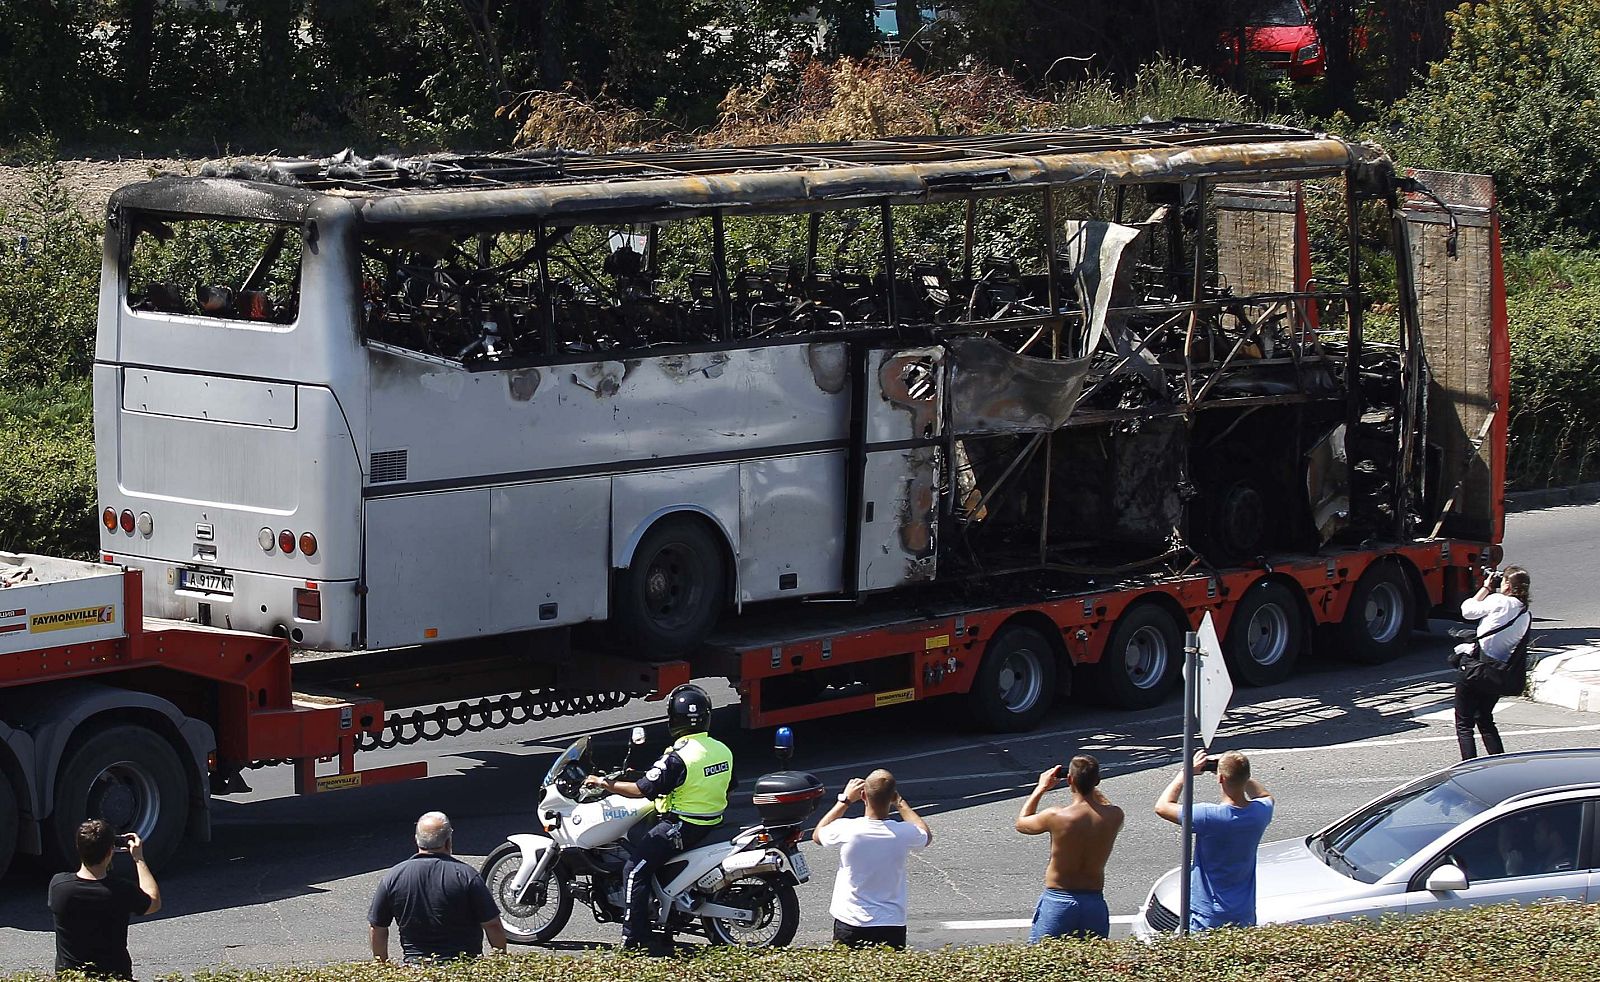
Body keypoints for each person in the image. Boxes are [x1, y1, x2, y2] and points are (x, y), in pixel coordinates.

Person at [584, 682, 733, 953]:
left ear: (674, 720)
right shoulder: (722, 750)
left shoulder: (678, 756)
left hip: (681, 825)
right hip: (710, 822)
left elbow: (641, 790)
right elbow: (727, 784)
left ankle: (634, 937)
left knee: (634, 869)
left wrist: (605, 783)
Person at [1155, 749, 1273, 931]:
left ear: (1220, 779)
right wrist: (1239, 774)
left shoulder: (1210, 817)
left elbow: (1162, 807)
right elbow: (1265, 796)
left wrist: (1185, 773)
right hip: (1244, 913)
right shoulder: (1260, 813)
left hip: (1207, 915)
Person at [812, 769, 932, 949]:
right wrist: (900, 803)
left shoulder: (847, 829)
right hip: (891, 923)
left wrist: (844, 801)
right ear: (892, 797)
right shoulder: (903, 833)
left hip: (851, 921)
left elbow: (817, 835)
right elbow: (926, 834)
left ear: (863, 796)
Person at [368, 811, 507, 963]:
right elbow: (492, 925)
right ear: (448, 841)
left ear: (416, 840)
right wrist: (500, 964)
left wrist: (382, 967)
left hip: (416, 969)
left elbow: (377, 927)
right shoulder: (467, 875)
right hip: (463, 969)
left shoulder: (393, 877)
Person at [1014, 755, 1124, 941]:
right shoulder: (1114, 816)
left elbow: (1021, 823)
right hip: (1093, 902)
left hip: (1059, 900)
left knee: (1045, 961)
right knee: (1093, 963)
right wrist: (1091, 786)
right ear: (1097, 780)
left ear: (1070, 779)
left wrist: (1041, 787)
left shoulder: (1056, 815)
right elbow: (1105, 804)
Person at [48, 820, 161, 980]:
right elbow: (154, 902)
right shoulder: (122, 890)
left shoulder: (58, 885)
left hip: (72, 977)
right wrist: (139, 859)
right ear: (110, 852)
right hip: (114, 977)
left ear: (78, 848)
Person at [1453, 566, 1531, 760]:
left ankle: (1468, 767)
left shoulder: (1497, 601)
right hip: (1497, 674)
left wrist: (1486, 587)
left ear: (1507, 585)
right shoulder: (1525, 615)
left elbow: (1467, 611)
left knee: (1464, 723)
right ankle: (1499, 763)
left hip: (1475, 669)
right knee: (1485, 719)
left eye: (1503, 580)